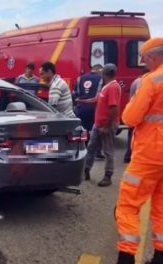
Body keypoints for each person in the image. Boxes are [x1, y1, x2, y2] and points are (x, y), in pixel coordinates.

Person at [114, 38, 163, 264]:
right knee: (162, 206)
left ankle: (126, 257)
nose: (143, 63)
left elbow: (130, 118)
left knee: (128, 205)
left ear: (153, 57)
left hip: (151, 153)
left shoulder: (151, 80)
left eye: (144, 59)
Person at [77, 63, 121, 187]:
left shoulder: (113, 87)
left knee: (108, 151)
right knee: (91, 147)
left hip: (107, 125)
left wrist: (106, 126)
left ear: (104, 74)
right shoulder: (106, 86)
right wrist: (82, 101)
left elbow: (113, 109)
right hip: (98, 124)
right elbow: (96, 99)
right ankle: (86, 170)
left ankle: (108, 176)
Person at [73, 64, 105, 158]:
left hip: (81, 108)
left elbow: (74, 94)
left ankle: (83, 151)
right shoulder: (101, 78)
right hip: (94, 108)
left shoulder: (80, 78)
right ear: (99, 70)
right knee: (97, 131)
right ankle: (98, 152)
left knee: (83, 131)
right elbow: (103, 95)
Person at [123, 68, 150, 163]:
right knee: (136, 137)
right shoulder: (144, 82)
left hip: (132, 111)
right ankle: (133, 156)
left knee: (131, 134)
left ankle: (127, 155)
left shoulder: (135, 81)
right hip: (140, 113)